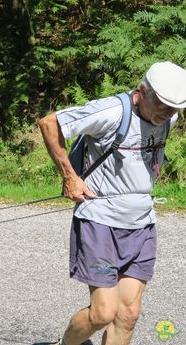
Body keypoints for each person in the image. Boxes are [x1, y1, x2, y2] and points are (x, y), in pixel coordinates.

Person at [38, 61, 186, 345]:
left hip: (142, 225)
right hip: (101, 224)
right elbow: (49, 123)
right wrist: (70, 177)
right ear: (142, 91)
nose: (168, 114)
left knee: (128, 314)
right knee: (103, 313)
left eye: (175, 108)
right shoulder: (111, 111)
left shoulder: (169, 118)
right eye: (163, 105)